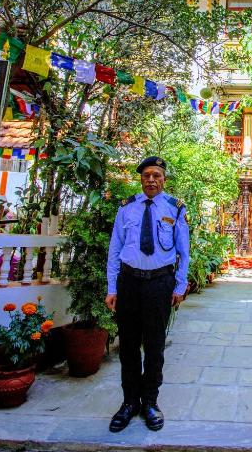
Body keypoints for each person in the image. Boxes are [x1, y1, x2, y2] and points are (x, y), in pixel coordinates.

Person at [105, 156, 189, 433]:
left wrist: (178, 286)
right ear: (140, 179)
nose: (151, 180)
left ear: (164, 179)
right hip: (129, 282)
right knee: (128, 345)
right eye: (146, 176)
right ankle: (129, 402)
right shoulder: (126, 209)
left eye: (157, 175)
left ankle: (150, 402)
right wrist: (112, 288)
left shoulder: (174, 209)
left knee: (154, 345)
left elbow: (183, 252)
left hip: (159, 284)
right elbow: (114, 250)